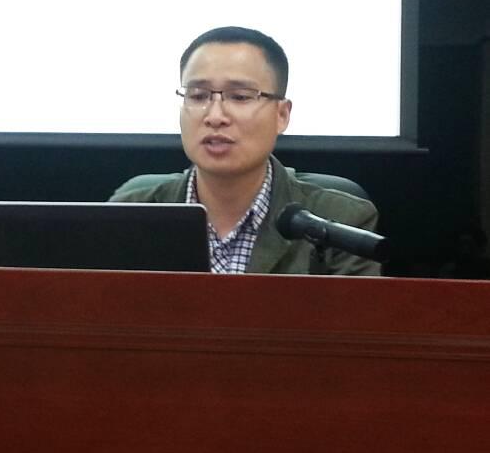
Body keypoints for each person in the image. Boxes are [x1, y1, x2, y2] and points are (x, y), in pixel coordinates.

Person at [109, 26, 381, 276]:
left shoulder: (339, 219)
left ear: (282, 115)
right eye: (198, 96)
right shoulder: (130, 213)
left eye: (239, 97)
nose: (215, 116)